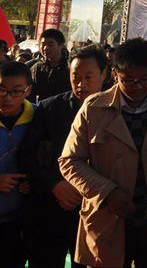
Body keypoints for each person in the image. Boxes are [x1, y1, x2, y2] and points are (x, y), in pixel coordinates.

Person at [59, 37, 147, 268]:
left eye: (145, 79)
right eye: (128, 79)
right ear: (114, 74)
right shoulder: (93, 108)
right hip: (108, 217)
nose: (137, 86)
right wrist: (107, 192)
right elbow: (70, 161)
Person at [19, 46, 107, 268]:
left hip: (95, 212)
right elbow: (27, 155)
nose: (81, 84)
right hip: (50, 209)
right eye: (75, 76)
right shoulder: (49, 108)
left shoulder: (116, 112)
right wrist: (54, 185)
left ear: (104, 74)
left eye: (88, 77)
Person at [0, 61, 34, 268]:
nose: (7, 97)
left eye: (16, 91)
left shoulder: (39, 117)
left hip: (22, 220)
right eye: (2, 89)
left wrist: (34, 181)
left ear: (27, 91)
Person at [30, 28, 70, 103]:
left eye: (50, 45)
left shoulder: (70, 67)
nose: (45, 48)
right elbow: (30, 95)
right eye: (43, 44)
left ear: (61, 45)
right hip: (42, 108)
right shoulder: (36, 68)